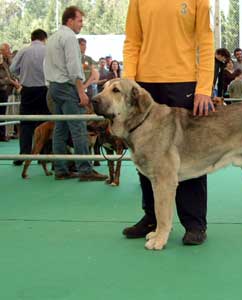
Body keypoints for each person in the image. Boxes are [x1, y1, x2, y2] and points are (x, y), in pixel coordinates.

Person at [122, 0, 215, 245]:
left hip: (184, 82)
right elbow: (132, 41)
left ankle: (194, 223)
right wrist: (129, 84)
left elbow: (206, 41)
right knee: (145, 155)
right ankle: (152, 218)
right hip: (143, 85)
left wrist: (204, 87)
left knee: (190, 152)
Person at [44, 6, 107, 181]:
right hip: (67, 86)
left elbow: (47, 65)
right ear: (70, 20)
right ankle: (85, 169)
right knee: (79, 127)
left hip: (54, 86)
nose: (82, 24)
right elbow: (74, 68)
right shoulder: (70, 37)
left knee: (60, 129)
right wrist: (81, 92)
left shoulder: (53, 37)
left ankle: (61, 169)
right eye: (79, 20)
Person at [10, 29, 50, 165]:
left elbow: (12, 68)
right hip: (44, 90)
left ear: (32, 38)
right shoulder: (47, 50)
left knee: (26, 123)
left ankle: (24, 155)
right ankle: (43, 156)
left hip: (27, 90)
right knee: (44, 123)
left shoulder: (23, 51)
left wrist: (23, 74)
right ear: (44, 38)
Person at [0, 43, 20, 142]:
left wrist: (15, 81)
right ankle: (3, 134)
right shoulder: (1, 62)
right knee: (2, 113)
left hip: (7, 90)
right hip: (3, 89)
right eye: (7, 50)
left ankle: (5, 134)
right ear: (2, 51)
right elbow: (5, 77)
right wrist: (12, 82)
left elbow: (11, 74)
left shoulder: (8, 61)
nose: (10, 52)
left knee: (5, 113)